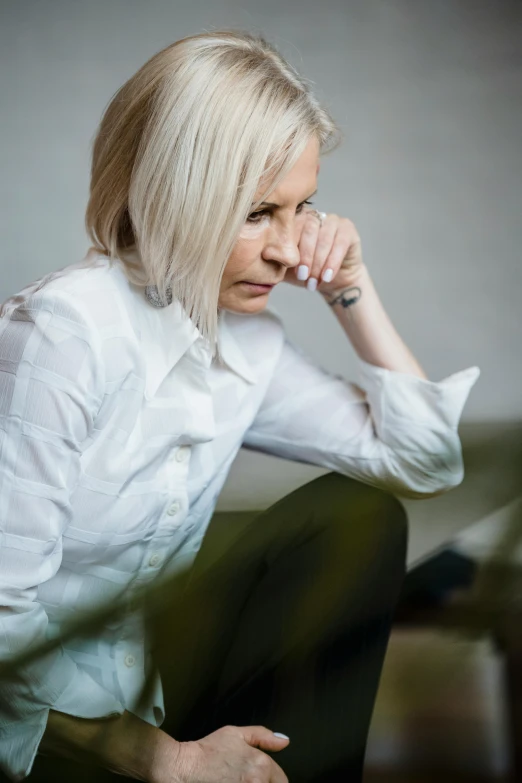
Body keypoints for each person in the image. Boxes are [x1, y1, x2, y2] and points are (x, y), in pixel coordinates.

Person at [0, 29, 480, 783]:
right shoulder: (65, 333)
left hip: (151, 695)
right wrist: (168, 761)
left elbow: (424, 461)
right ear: (171, 189)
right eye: (258, 212)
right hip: (41, 732)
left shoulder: (246, 345)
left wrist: (350, 287)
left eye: (303, 208)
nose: (291, 251)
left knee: (357, 517)